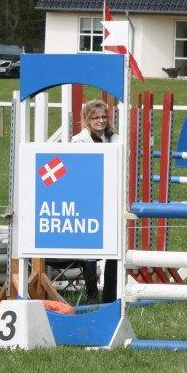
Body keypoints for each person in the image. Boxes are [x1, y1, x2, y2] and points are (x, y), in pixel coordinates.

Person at [69, 99, 118, 302]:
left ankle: (110, 295)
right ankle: (91, 295)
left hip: (111, 196)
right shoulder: (78, 141)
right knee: (90, 247)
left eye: (103, 117)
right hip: (87, 197)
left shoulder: (115, 138)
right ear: (87, 120)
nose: (100, 121)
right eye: (95, 117)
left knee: (114, 247)